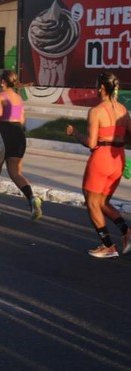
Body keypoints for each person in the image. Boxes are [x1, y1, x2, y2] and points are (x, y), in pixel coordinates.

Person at [66, 72, 131, 258]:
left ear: (102, 87)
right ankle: (127, 231)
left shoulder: (96, 111)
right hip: (118, 158)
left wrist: (75, 133)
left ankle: (108, 245)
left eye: (97, 85)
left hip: (101, 158)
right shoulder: (123, 110)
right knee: (103, 202)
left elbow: (92, 143)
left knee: (92, 202)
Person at [0, 70, 42, 220]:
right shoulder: (18, 98)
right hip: (18, 134)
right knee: (16, 174)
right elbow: (23, 120)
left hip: (3, 134)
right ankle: (32, 198)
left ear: (3, 82)